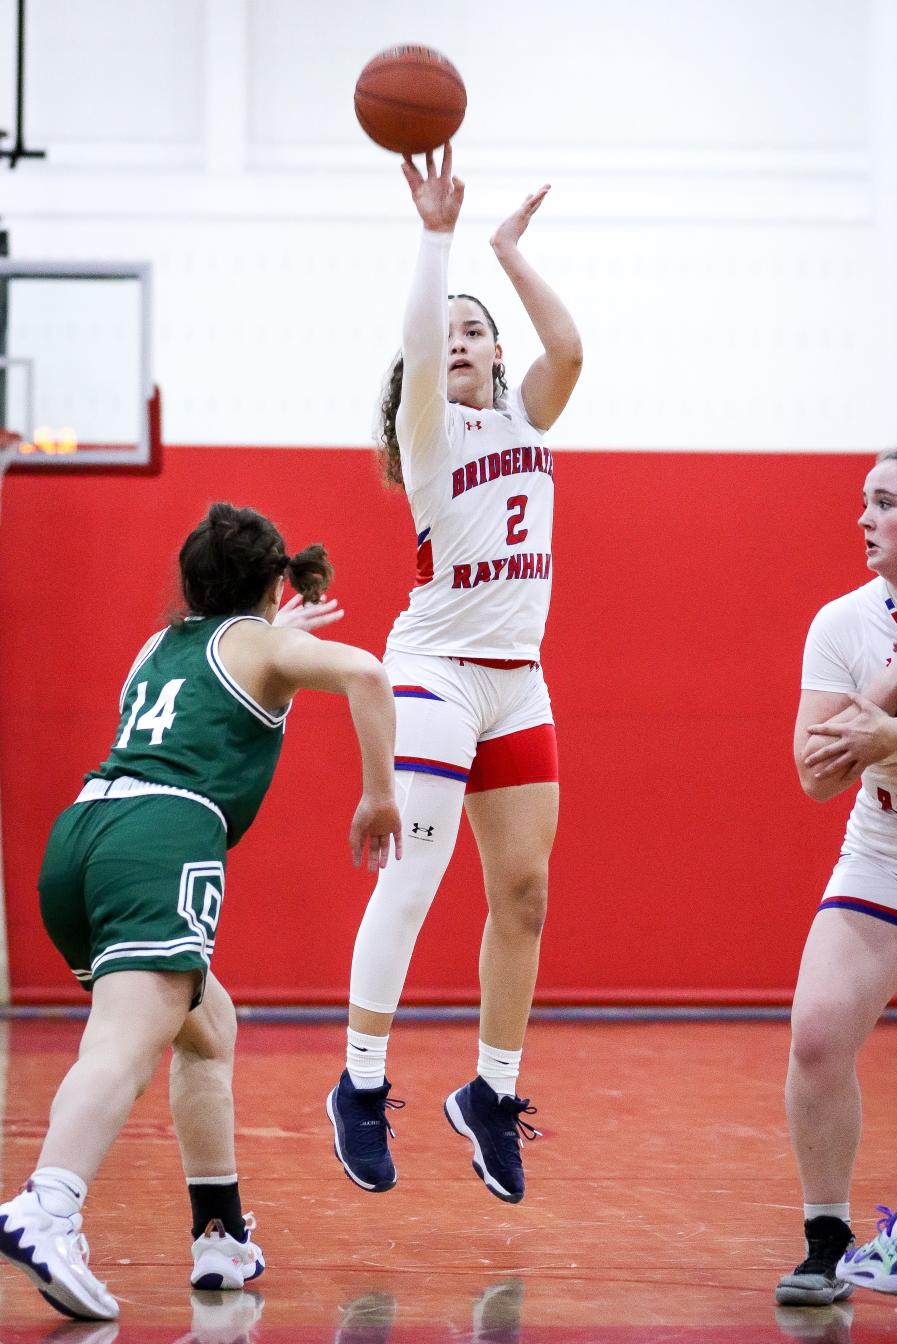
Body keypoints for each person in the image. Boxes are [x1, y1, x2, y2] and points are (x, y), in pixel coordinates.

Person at [0, 502, 401, 1321]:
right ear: (269, 584)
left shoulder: (158, 648)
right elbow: (367, 672)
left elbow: (233, 660)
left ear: (190, 584)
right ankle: (48, 1204)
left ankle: (219, 1235)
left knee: (206, 1027)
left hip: (78, 841)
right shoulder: (262, 643)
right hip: (161, 840)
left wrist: (272, 627)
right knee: (120, 1046)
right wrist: (380, 796)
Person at [325, 142, 582, 1205]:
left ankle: (490, 1091)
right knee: (416, 876)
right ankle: (362, 1079)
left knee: (522, 893)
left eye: (481, 331)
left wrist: (506, 250)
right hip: (432, 668)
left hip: (519, 678)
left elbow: (569, 348)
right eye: (456, 332)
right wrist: (436, 241)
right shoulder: (427, 428)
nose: (465, 340)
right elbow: (420, 339)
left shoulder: (526, 414)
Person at [775, 447, 897, 1307]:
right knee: (816, 1034)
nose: (862, 519)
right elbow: (815, 777)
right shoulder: (844, 623)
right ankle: (828, 1237)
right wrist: (894, 678)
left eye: (883, 503)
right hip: (893, 853)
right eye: (862, 501)